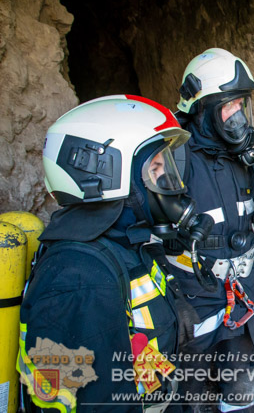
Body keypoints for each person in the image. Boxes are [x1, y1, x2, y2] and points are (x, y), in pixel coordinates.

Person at [17, 95, 215, 412]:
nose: (169, 183)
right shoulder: (79, 278)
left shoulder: (124, 242)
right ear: (109, 173)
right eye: (156, 169)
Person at [168, 48, 254, 412]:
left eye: (242, 105)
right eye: (230, 107)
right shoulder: (172, 161)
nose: (240, 117)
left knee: (240, 388)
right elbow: (150, 233)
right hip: (194, 298)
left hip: (241, 297)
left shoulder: (244, 159)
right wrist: (168, 301)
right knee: (190, 397)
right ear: (203, 109)